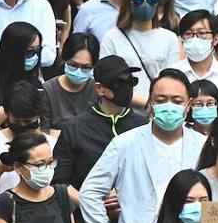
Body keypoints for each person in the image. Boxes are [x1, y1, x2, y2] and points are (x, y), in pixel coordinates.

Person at [80, 69, 202, 223]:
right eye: (161, 100)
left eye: (177, 101)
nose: (169, 106)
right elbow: (90, 193)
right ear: (150, 104)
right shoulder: (124, 144)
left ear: (188, 105)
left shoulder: (203, 146)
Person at [52, 55, 148, 190]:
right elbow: (60, 181)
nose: (126, 88)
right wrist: (91, 202)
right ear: (99, 88)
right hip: (86, 207)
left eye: (131, 82)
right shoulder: (75, 129)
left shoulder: (144, 126)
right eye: (118, 83)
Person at [98, 0, 180, 108]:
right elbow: (107, 80)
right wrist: (147, 103)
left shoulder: (169, 38)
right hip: (122, 110)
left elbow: (171, 79)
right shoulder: (112, 37)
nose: (146, 4)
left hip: (157, 111)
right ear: (128, 2)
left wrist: (156, 105)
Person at [173, 9, 218, 113]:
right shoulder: (170, 75)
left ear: (215, 39)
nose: (195, 39)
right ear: (181, 39)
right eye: (188, 34)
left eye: (202, 33)